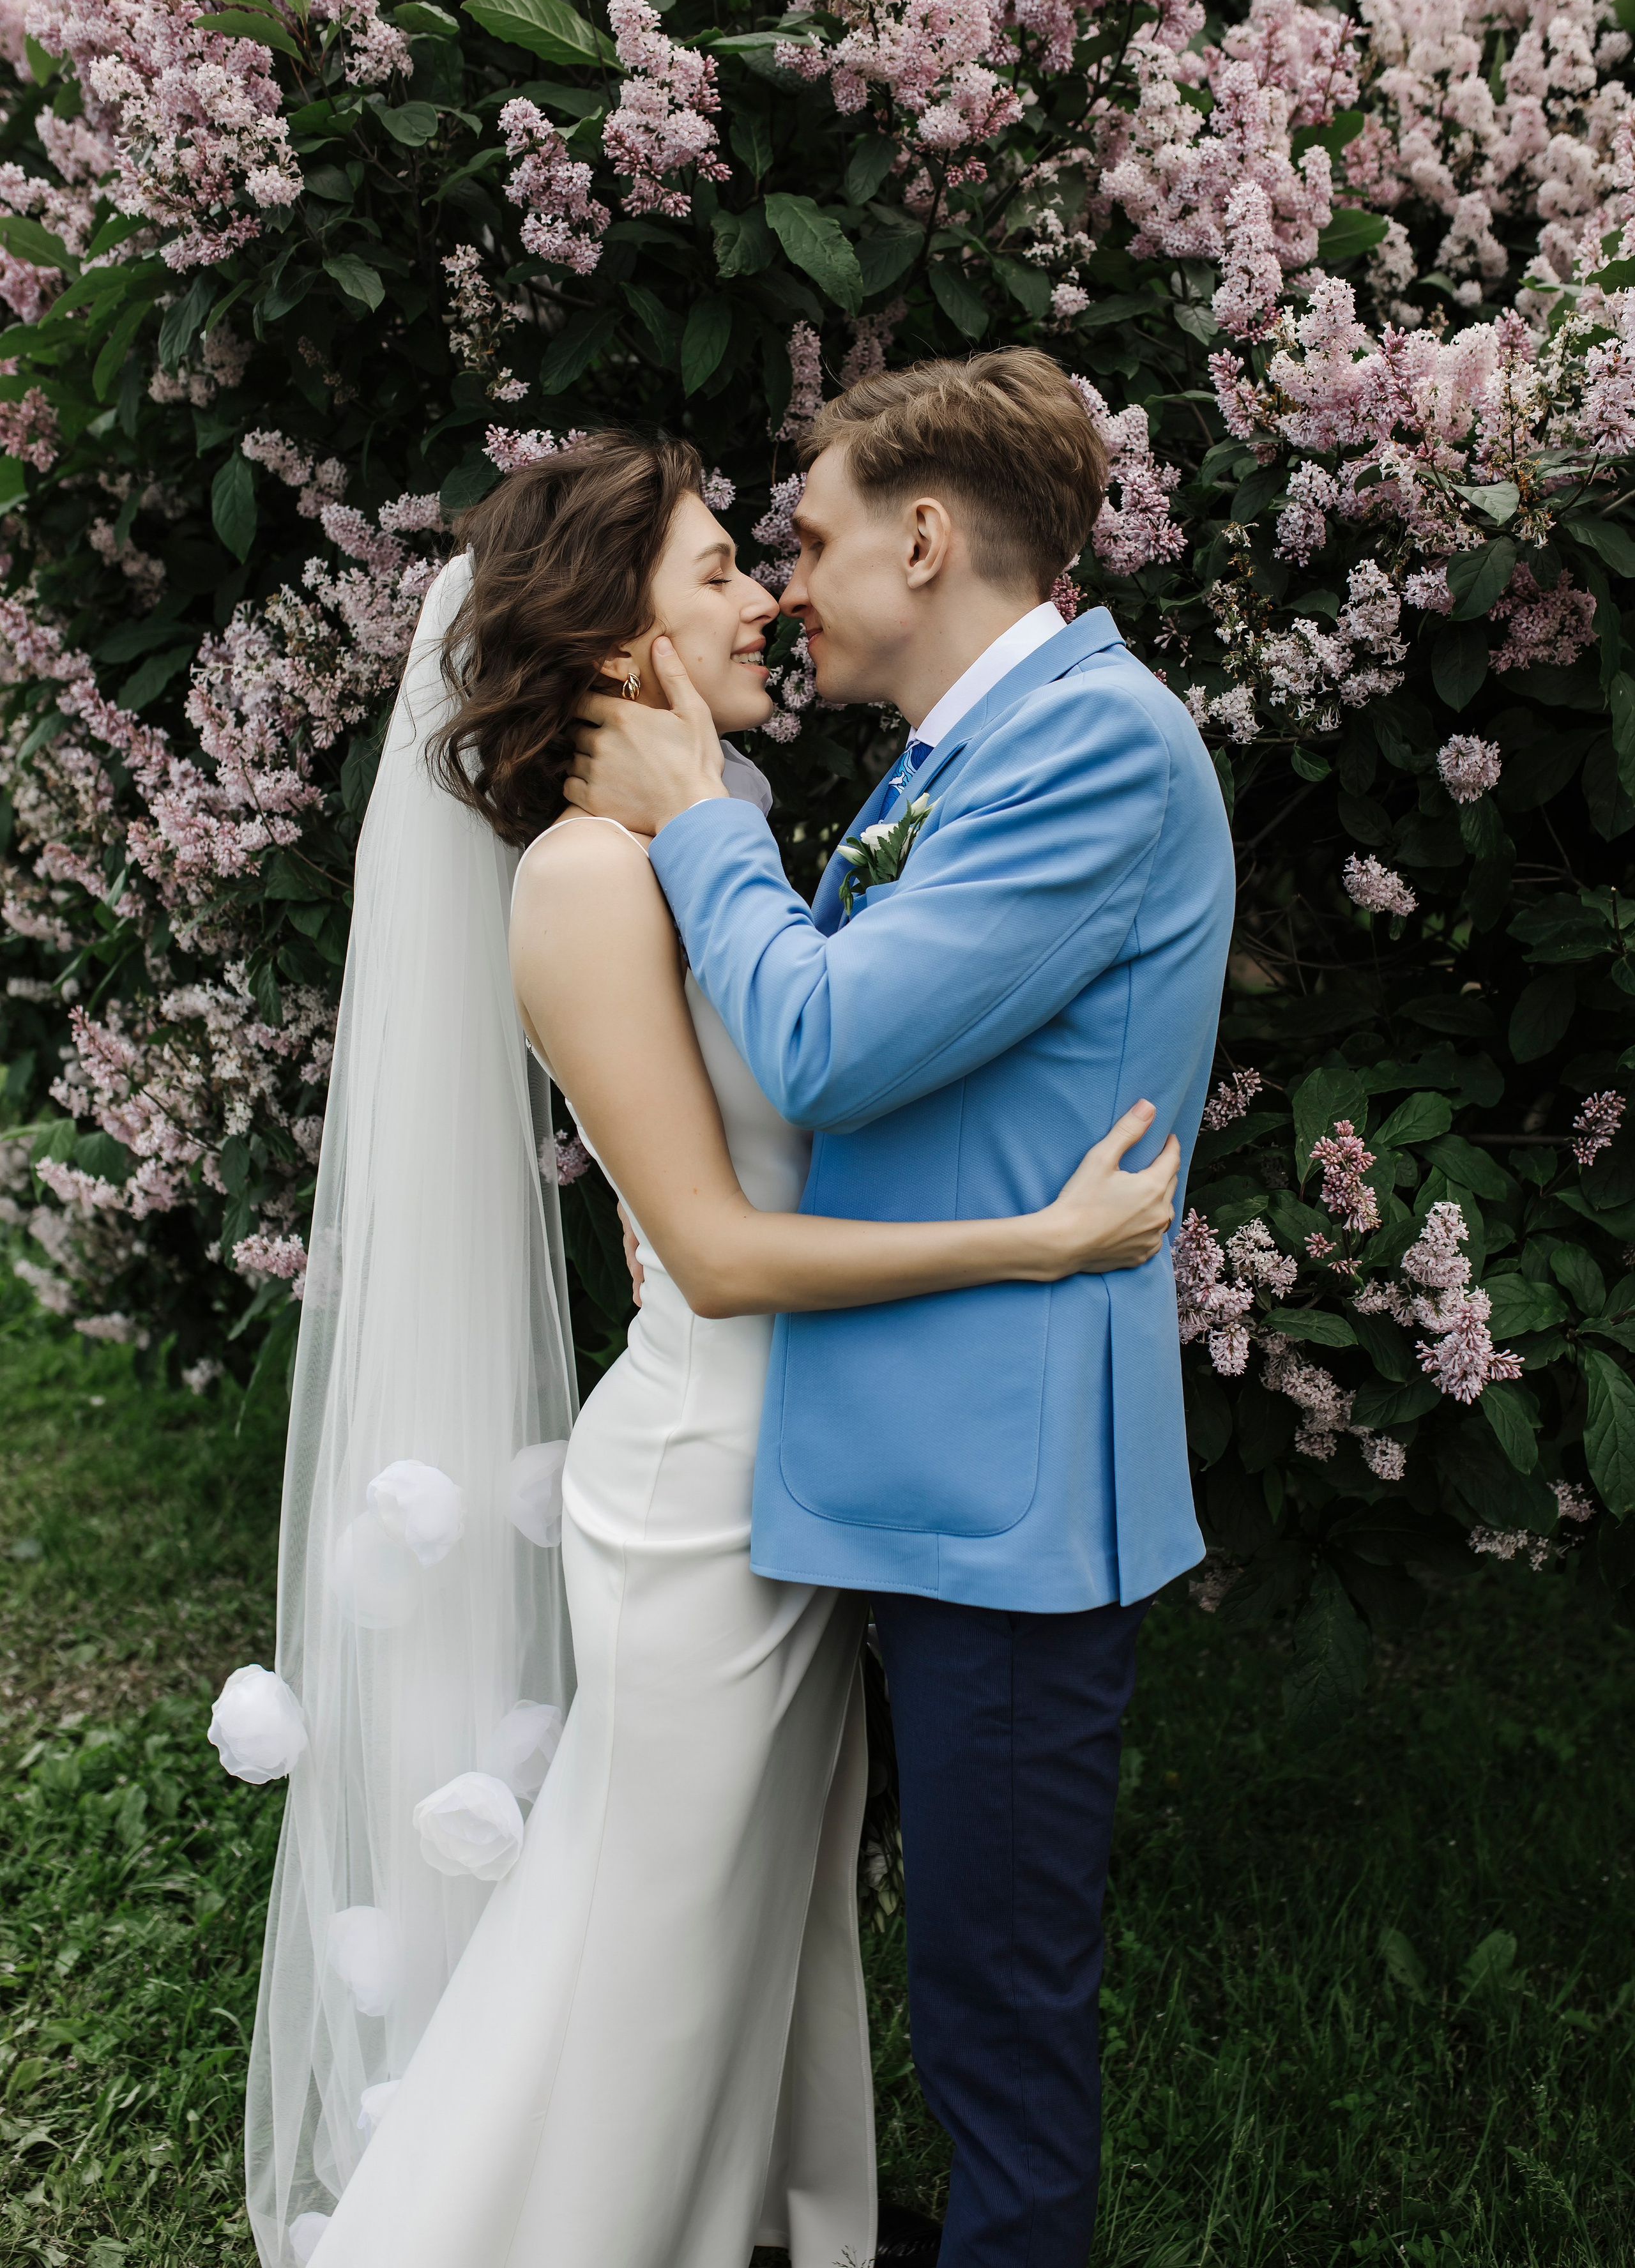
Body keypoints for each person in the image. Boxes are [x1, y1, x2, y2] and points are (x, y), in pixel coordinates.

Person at [234, 425, 1182, 2268]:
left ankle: (752, 2223)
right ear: (619, 641)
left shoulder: (695, 840)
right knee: (642, 1947)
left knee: (755, 1922)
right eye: (720, 572)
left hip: (788, 1467)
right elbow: (726, 1256)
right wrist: (1039, 1240)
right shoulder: (588, 879)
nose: (765, 600)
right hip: (697, 1487)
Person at [569, 350, 1237, 2268]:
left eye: (810, 538)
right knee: (920, 1970)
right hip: (889, 1452)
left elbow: (833, 1044)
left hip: (999, 1490)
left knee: (997, 2005)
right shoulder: (962, 755)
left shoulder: (1098, 747)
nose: (787, 587)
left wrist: (698, 807)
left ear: (925, 540)